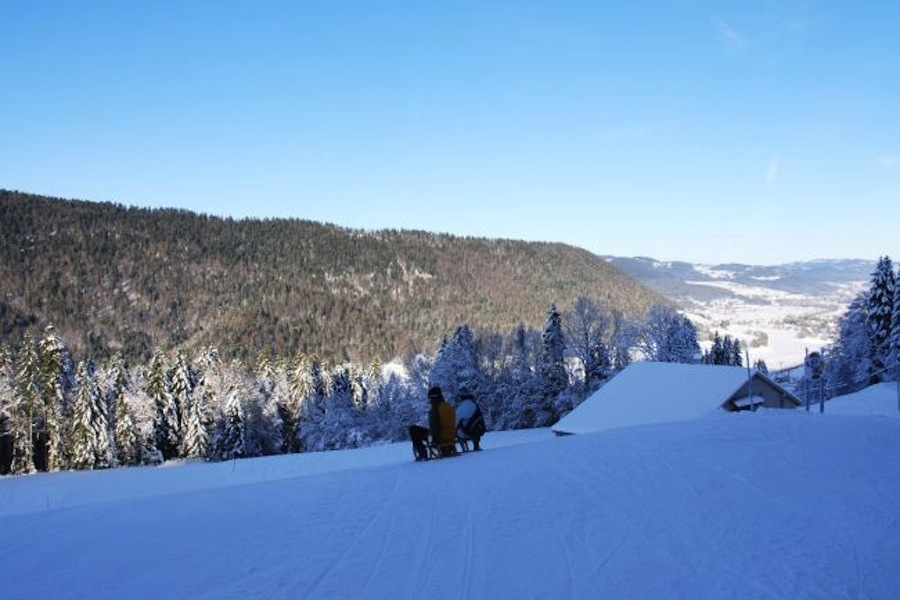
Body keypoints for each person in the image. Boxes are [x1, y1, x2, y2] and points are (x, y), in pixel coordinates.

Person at [408, 386, 457, 460]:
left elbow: (435, 427)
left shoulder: (435, 409)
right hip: (451, 437)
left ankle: (422, 454)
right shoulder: (448, 406)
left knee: (413, 429)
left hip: (440, 438)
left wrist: (433, 440)